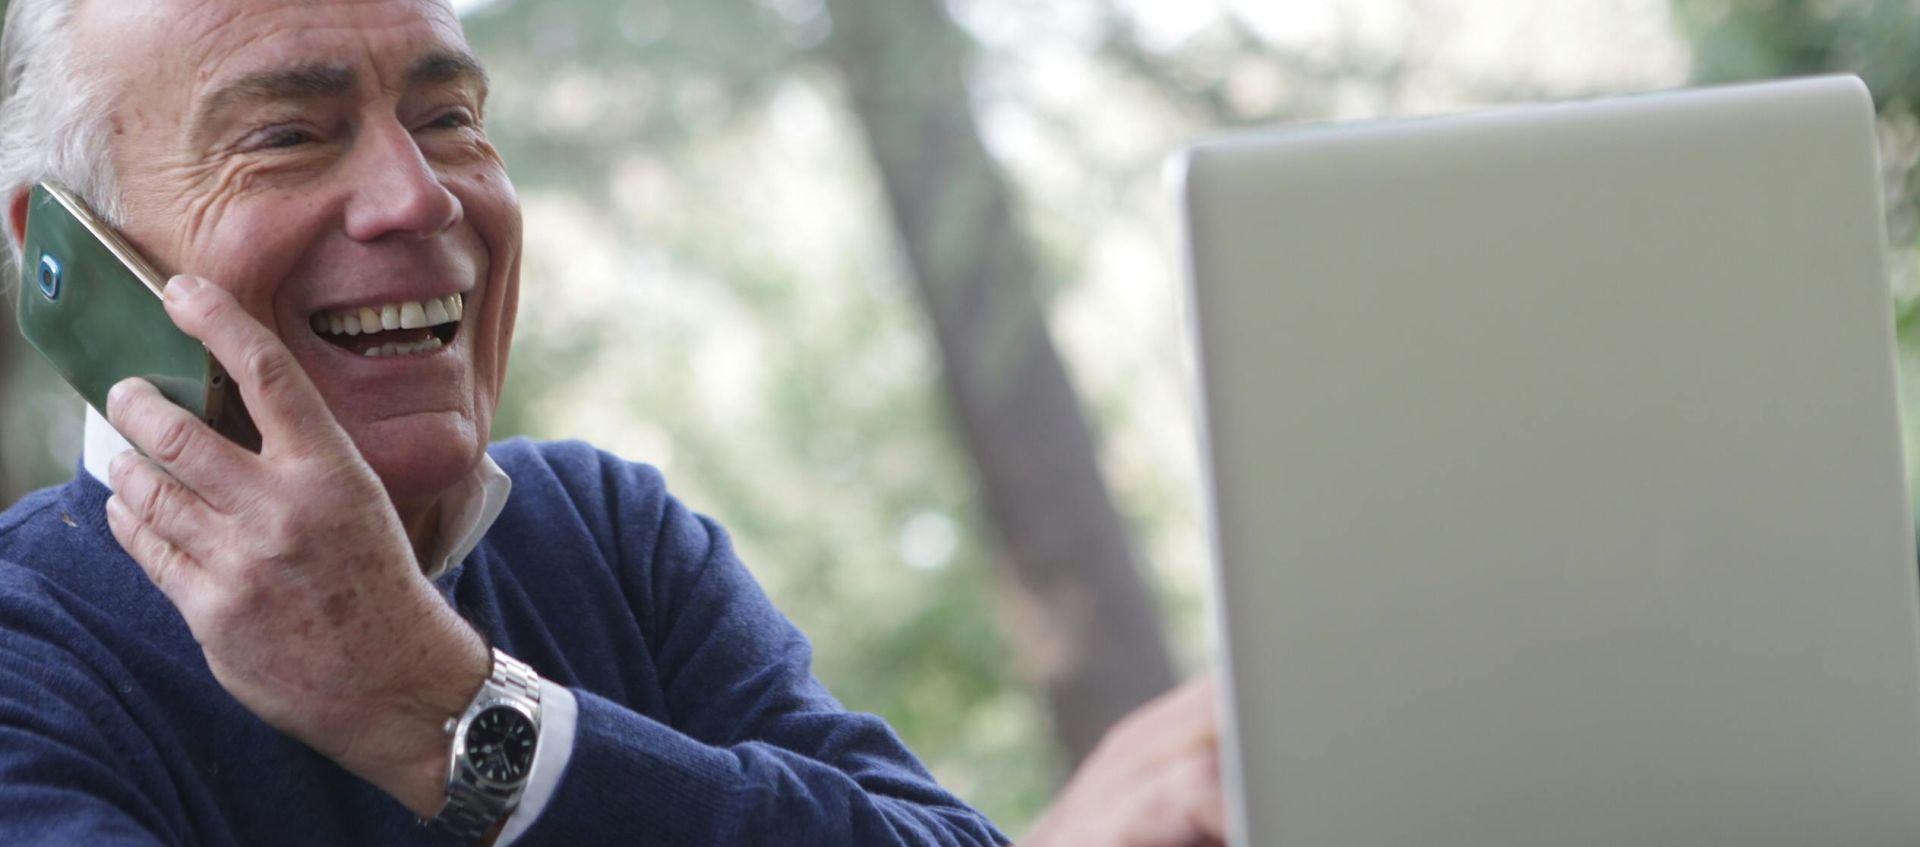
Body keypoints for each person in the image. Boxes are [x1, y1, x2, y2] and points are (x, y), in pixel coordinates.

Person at [0, 0, 1226, 844]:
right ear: (63, 254)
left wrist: (447, 708)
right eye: (286, 136)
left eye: (448, 120)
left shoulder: (604, 534)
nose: (419, 195)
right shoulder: (25, 662)